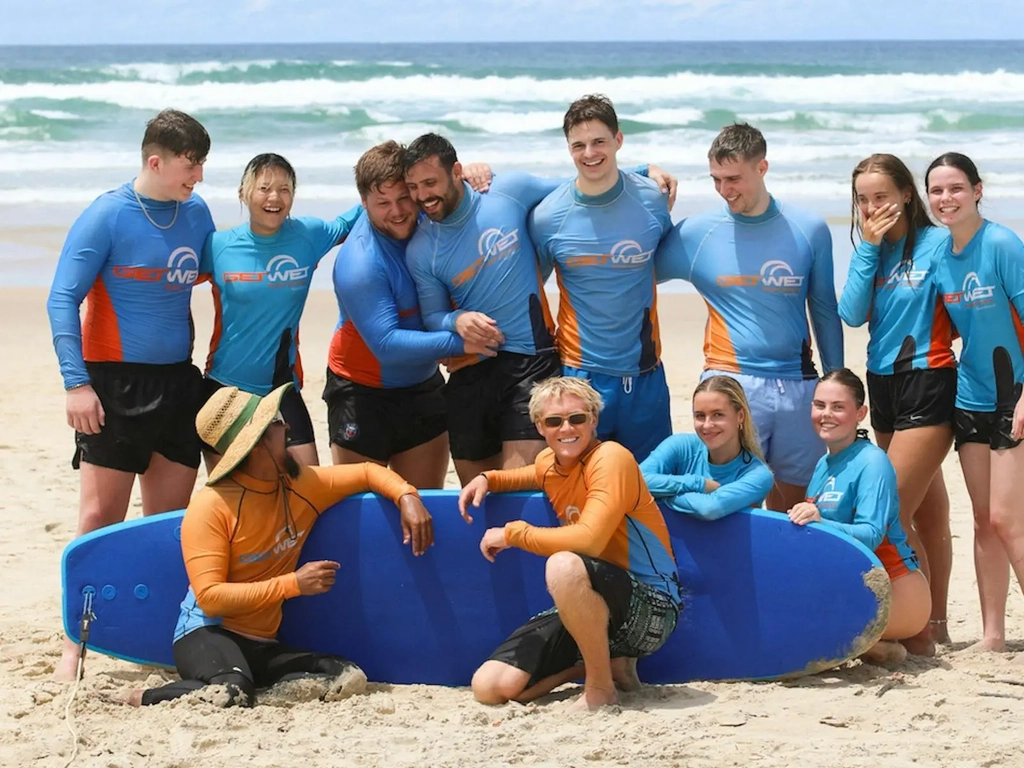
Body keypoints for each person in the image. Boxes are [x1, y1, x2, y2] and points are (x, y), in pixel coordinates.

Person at [113, 383, 434, 707]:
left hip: (262, 642)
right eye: (278, 421)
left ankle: (248, 683)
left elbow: (367, 472)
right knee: (233, 691)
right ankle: (143, 697)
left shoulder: (303, 485)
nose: (288, 426)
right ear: (257, 444)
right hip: (207, 633)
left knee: (346, 674)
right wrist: (293, 584)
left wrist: (406, 495)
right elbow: (210, 598)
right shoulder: (212, 507)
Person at [46, 108, 215, 681]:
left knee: (167, 525)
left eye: (202, 165)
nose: (198, 176)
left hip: (177, 383)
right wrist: (76, 383)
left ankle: (153, 637)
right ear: (156, 161)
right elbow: (61, 298)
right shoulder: (108, 215)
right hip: (113, 385)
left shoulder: (196, 214)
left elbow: (230, 267)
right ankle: (75, 645)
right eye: (191, 166)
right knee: (99, 519)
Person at [459, 377, 682, 711]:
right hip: (589, 604)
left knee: (563, 564)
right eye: (554, 421)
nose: (567, 428)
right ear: (540, 426)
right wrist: (487, 478)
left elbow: (590, 540)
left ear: (593, 420)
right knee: (490, 687)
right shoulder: (549, 463)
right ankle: (611, 665)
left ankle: (600, 689)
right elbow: (527, 475)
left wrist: (514, 534)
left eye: (577, 418)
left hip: (652, 607)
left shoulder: (610, 457)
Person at [655, 123, 844, 513]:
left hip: (798, 383)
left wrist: (835, 382)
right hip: (731, 381)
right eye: (716, 180)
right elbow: (628, 271)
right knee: (728, 507)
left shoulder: (808, 230)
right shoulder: (697, 235)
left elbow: (823, 308)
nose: (725, 190)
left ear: (762, 168)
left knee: (795, 510)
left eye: (734, 179)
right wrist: (643, 177)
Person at [323, 141, 496, 488]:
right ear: (364, 204)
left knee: (423, 505)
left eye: (404, 197)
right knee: (361, 513)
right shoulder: (360, 263)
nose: (398, 211)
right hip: (361, 391)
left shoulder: (428, 222)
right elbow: (386, 344)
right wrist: (466, 342)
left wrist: (479, 174)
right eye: (382, 204)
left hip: (421, 385)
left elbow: (464, 192)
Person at [838, 154, 956, 653]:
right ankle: (940, 622)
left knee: (892, 514)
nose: (872, 207)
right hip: (882, 386)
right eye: (863, 199)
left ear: (908, 194)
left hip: (929, 380)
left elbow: (973, 308)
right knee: (929, 515)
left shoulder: (940, 243)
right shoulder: (871, 249)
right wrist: (867, 245)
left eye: (882, 196)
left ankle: (918, 631)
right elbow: (850, 312)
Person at [529, 94, 674, 463]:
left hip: (647, 376)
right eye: (578, 145)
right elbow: (529, 287)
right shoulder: (549, 218)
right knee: (584, 492)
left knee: (651, 492)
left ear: (618, 140)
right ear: (568, 148)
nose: (589, 153)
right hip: (581, 375)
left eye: (599, 142)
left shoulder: (652, 200)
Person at [201, 153, 362, 468]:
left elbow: (359, 214)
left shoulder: (308, 236)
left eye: (284, 189)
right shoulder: (217, 246)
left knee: (306, 491)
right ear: (244, 193)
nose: (274, 197)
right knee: (237, 499)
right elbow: (165, 285)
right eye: (264, 188)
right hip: (225, 388)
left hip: (281, 387)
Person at [926, 152, 1024, 653]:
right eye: (937, 191)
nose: (946, 199)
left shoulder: (1003, 244)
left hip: (1015, 397)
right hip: (971, 398)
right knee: (984, 520)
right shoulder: (940, 257)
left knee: (1010, 520)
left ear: (978, 190)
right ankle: (993, 636)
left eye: (956, 188)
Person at [788, 369, 931, 665]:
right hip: (851, 586)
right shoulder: (823, 465)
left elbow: (872, 533)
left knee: (808, 627)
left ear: (860, 413)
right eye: (820, 405)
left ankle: (883, 648)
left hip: (898, 588)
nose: (826, 414)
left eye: (838, 407)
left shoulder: (872, 461)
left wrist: (821, 522)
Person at [640, 375, 773, 519]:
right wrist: (698, 484)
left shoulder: (759, 475)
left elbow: (709, 508)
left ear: (740, 416)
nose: (707, 425)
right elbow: (636, 480)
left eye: (718, 415)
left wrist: (661, 494)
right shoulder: (680, 446)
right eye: (700, 416)